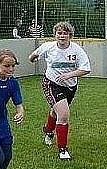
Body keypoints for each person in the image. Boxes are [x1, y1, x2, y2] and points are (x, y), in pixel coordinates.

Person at [29, 21, 91, 160]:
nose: (62, 36)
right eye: (59, 33)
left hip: (70, 86)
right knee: (63, 114)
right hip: (51, 83)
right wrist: (33, 58)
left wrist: (69, 75)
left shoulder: (76, 50)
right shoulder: (48, 47)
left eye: (65, 33)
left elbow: (86, 69)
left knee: (56, 112)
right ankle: (63, 150)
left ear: (70, 35)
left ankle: (48, 131)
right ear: (55, 35)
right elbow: (32, 56)